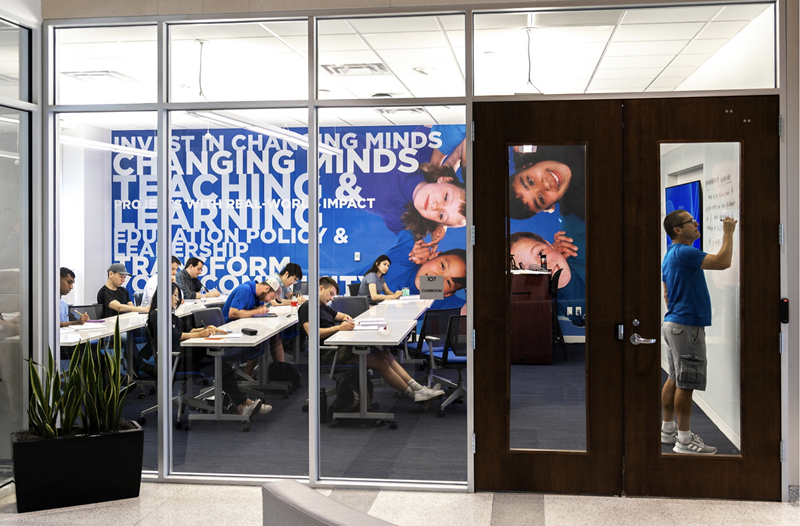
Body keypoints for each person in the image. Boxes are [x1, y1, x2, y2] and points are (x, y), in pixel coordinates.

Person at [661, 211, 737, 455]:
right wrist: (728, 233)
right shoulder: (685, 252)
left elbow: (666, 293)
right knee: (686, 383)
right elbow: (723, 262)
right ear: (678, 230)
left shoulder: (670, 254)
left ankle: (668, 429)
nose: (696, 224)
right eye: (690, 222)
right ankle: (684, 441)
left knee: (674, 378)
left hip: (674, 322)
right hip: (686, 326)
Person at [299, 277, 444, 403]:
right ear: (320, 288)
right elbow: (312, 333)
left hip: (339, 346)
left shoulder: (323, 307)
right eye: (330, 294)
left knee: (386, 355)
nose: (331, 298)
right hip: (329, 352)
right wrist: (338, 328)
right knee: (381, 363)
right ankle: (414, 395)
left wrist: (346, 319)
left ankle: (420, 389)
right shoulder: (307, 307)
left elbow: (341, 315)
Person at [148, 283, 270, 417]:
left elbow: (188, 329)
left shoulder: (168, 315)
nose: (177, 299)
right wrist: (198, 335)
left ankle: (243, 405)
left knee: (222, 366)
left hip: (182, 356)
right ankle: (244, 404)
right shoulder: (156, 315)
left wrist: (208, 329)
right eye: (174, 295)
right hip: (173, 360)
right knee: (221, 366)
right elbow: (174, 337)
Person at [221, 276, 286, 378]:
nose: (269, 301)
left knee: (274, 336)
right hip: (230, 332)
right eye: (272, 297)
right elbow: (232, 314)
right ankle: (249, 372)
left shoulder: (258, 295)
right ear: (266, 289)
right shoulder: (244, 290)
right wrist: (257, 311)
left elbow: (259, 309)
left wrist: (261, 311)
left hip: (243, 328)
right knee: (264, 338)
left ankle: (282, 372)